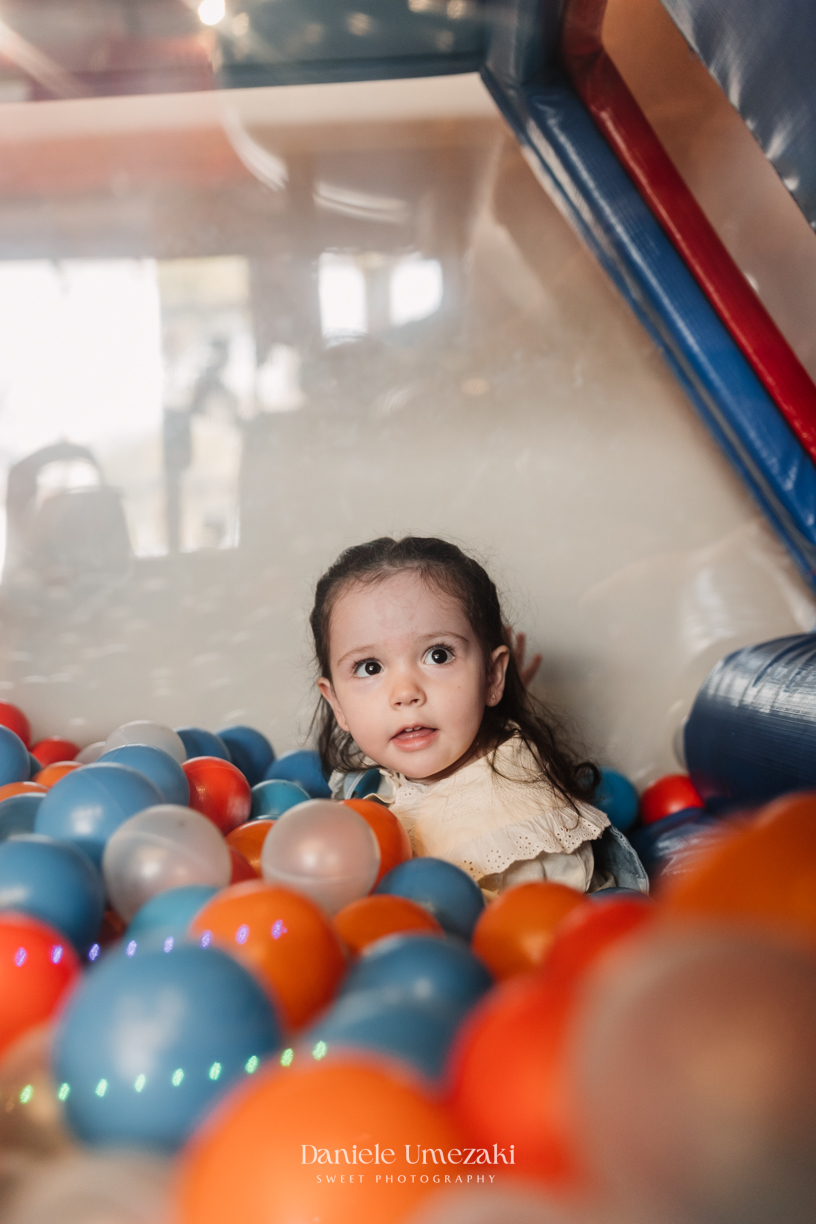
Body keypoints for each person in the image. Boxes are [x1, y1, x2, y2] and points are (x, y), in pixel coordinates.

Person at [310, 535, 634, 896]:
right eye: (370, 667)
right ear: (337, 702)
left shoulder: (519, 831)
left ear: (492, 676)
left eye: (438, 655)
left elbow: (532, 937)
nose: (405, 693)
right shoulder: (377, 766)